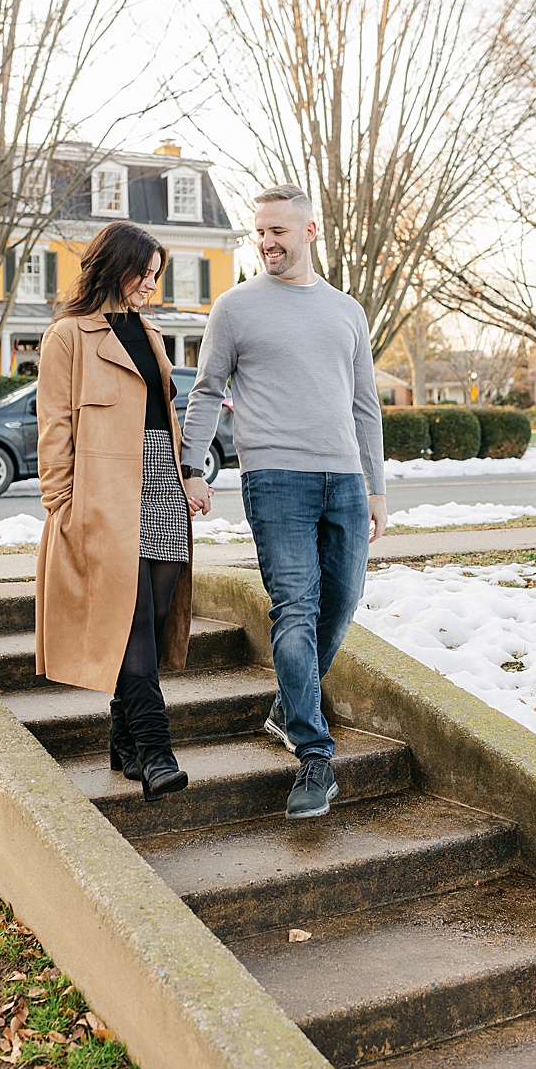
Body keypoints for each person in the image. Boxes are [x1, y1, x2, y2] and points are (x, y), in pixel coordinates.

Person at [180, 184, 387, 820]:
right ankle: (314, 756)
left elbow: (364, 403)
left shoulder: (347, 310)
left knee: (343, 600)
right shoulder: (236, 308)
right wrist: (190, 466)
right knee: (295, 608)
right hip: (276, 482)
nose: (268, 243)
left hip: (345, 482)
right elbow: (207, 390)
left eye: (279, 232)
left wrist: (376, 486)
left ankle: (288, 703)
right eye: (260, 233)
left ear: (310, 231)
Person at [36, 221, 197, 802]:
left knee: (151, 617)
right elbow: (54, 428)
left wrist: (184, 479)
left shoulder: (150, 333)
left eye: (158, 275)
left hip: (159, 484)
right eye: (144, 273)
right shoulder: (67, 336)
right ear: (114, 265)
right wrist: (62, 504)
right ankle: (156, 752)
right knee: (128, 620)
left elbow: (163, 419)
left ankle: (122, 743)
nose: (152, 284)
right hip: (103, 498)